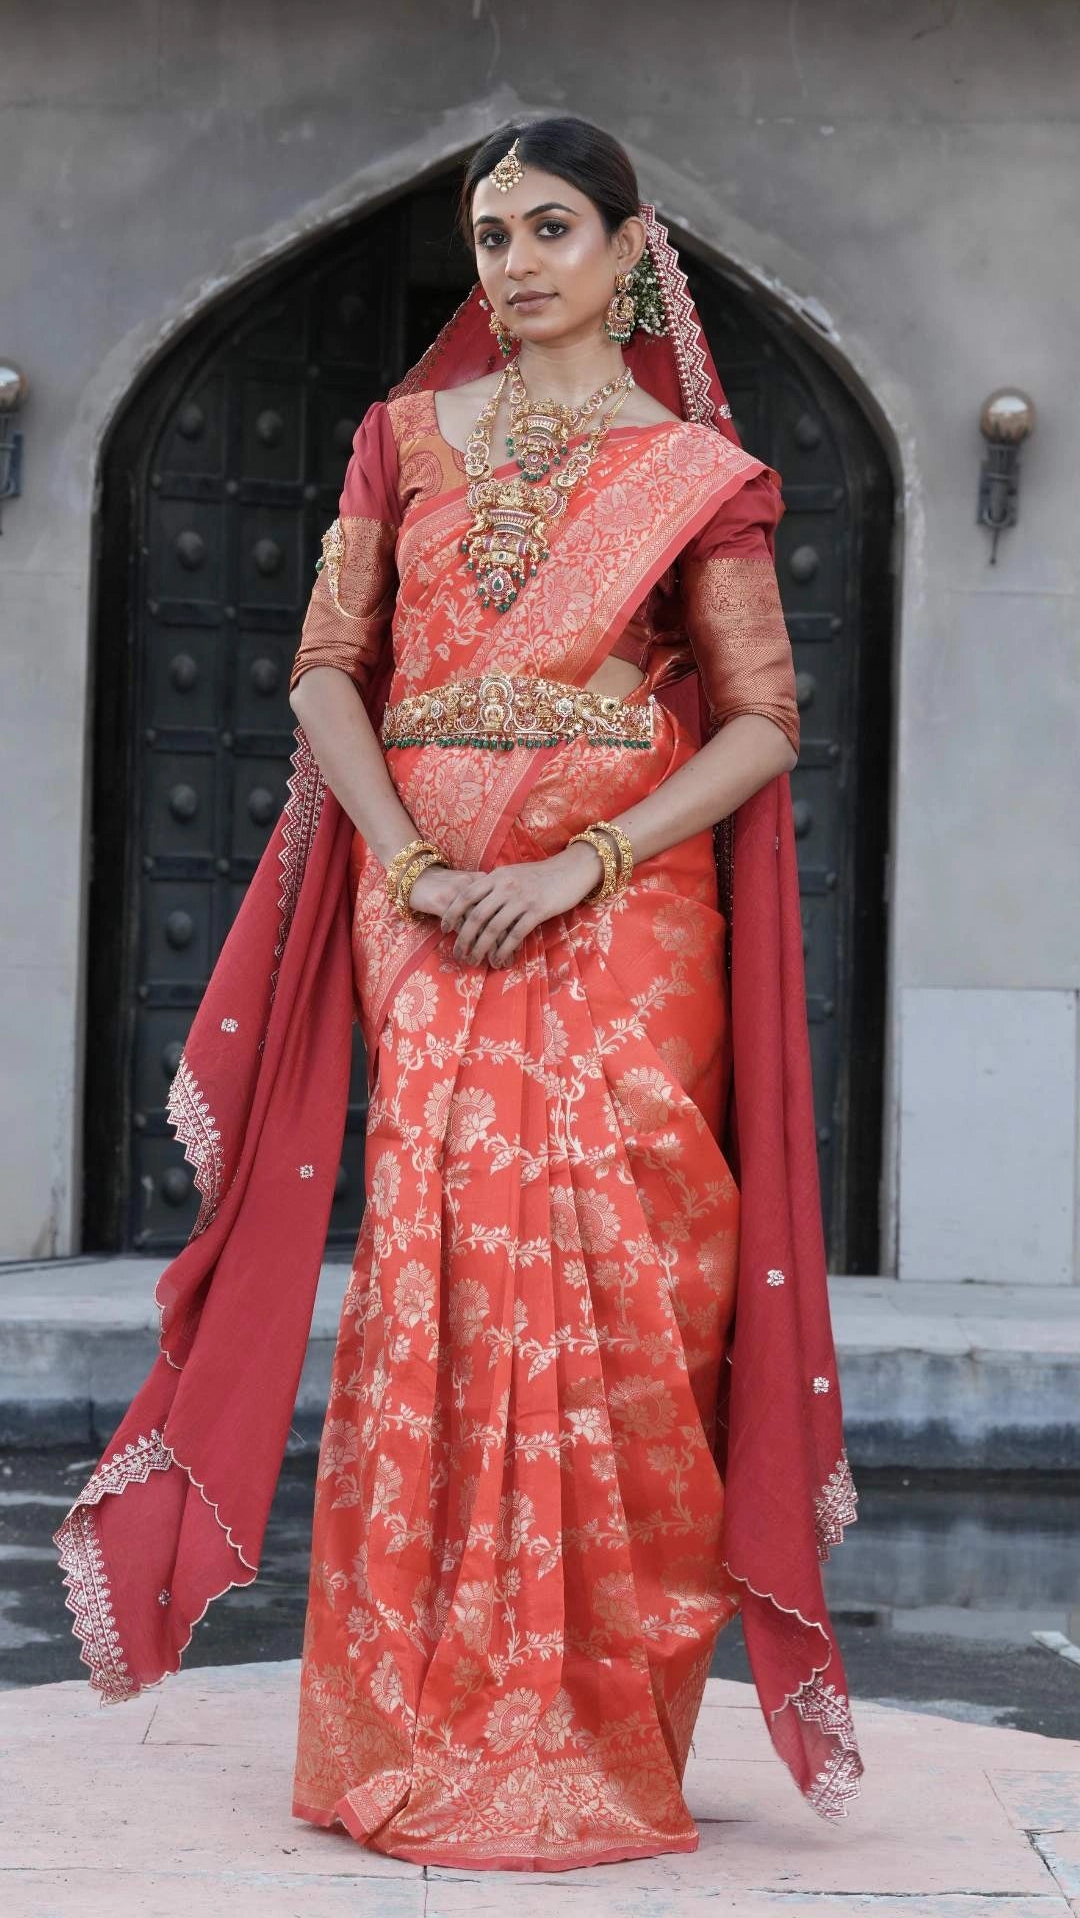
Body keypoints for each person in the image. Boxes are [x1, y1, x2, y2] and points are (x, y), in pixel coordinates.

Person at [54, 116, 863, 1872]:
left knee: (629, 1285)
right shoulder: (400, 441)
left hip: (622, 927)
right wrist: (413, 867)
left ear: (631, 252)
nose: (516, 263)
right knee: (446, 1280)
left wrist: (584, 863)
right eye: (492, 236)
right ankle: (419, 1719)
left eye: (551, 228)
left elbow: (761, 722)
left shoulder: (698, 475)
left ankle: (592, 1724)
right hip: (423, 920)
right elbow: (325, 674)